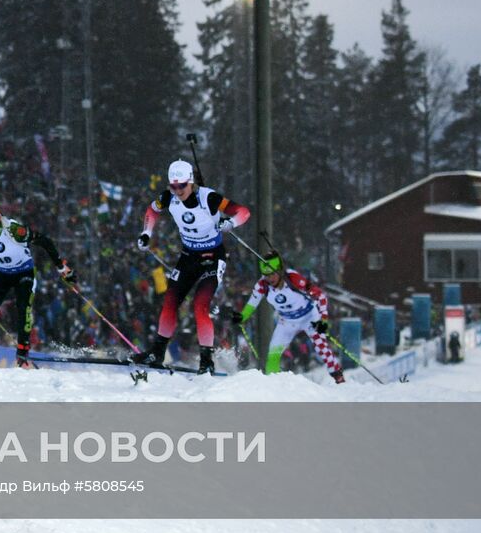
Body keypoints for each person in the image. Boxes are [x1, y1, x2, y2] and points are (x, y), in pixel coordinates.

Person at [134, 158, 250, 373]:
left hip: (213, 257)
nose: (177, 191)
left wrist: (230, 223)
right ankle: (157, 353)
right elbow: (151, 212)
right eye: (173, 186)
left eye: (182, 186)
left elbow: (243, 211)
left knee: (200, 305)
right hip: (189, 256)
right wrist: (146, 233)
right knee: (170, 301)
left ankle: (206, 360)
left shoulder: (209, 197)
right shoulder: (168, 197)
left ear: (190, 182)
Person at [0, 199, 74, 369]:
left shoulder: (14, 230)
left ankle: (22, 357)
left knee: (23, 307)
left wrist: (61, 266)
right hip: (1, 274)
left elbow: (44, 240)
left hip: (23, 272)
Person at [231, 253, 345, 383]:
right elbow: (251, 305)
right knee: (273, 354)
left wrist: (323, 320)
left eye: (273, 274)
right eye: (266, 275)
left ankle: (338, 377)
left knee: (321, 347)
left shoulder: (293, 278)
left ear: (280, 270)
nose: (270, 278)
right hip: (287, 321)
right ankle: (273, 385)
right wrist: (241, 317)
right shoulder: (262, 285)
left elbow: (321, 296)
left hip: (309, 316)